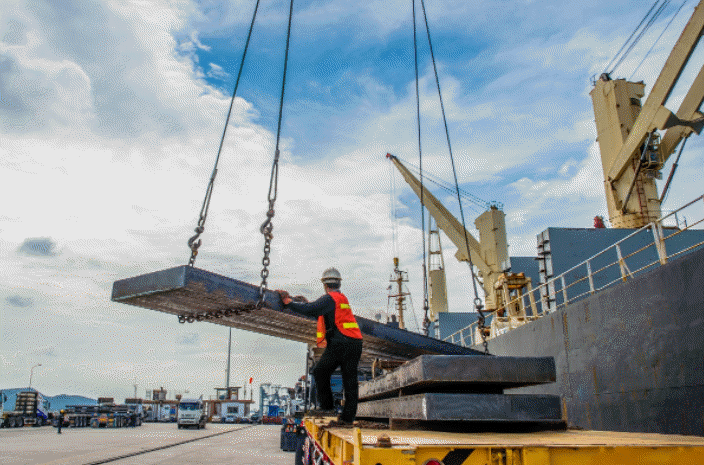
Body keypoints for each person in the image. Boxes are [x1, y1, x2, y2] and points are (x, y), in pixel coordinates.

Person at [277, 268, 363, 425]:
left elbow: (312, 309)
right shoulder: (340, 298)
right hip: (354, 342)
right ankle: (347, 419)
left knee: (320, 371)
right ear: (338, 283)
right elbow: (319, 310)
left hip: (341, 342)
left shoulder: (330, 298)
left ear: (325, 284)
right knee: (349, 381)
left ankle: (327, 407)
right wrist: (304, 303)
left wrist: (289, 303)